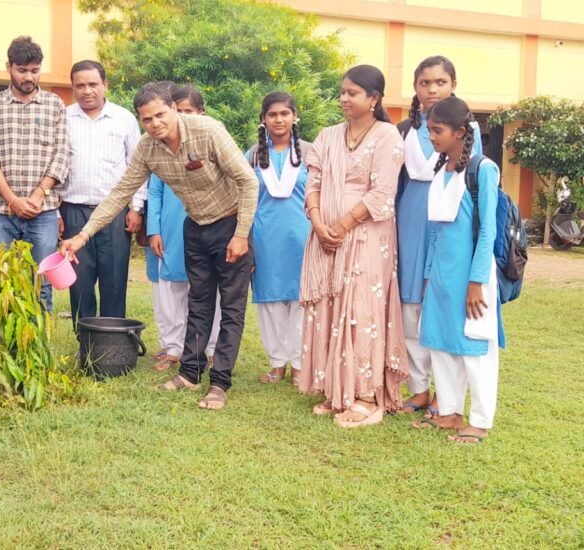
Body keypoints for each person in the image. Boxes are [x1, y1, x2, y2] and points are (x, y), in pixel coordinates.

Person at [61, 82, 259, 411]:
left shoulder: (208, 131)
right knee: (198, 304)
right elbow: (120, 195)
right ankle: (190, 373)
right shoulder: (147, 148)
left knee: (232, 308)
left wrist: (241, 234)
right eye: (147, 119)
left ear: (174, 108)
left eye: (160, 115)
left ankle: (220, 382)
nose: (155, 124)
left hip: (230, 224)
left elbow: (248, 181)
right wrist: (81, 236)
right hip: (195, 227)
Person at [297, 65, 407, 428]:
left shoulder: (387, 136)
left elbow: (382, 192)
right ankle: (337, 390)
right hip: (324, 235)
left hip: (366, 236)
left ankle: (365, 396)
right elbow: (313, 182)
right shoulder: (328, 136)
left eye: (352, 93)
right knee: (329, 305)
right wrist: (318, 223)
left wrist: (341, 226)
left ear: (373, 98)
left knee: (361, 308)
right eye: (342, 92)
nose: (344, 98)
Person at [395, 56, 483, 417]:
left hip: (448, 226)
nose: (432, 89)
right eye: (425, 83)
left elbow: (471, 185)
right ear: (415, 88)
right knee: (410, 308)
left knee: (442, 306)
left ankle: (446, 398)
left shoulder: (467, 129)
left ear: (453, 85)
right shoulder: (403, 129)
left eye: (440, 82)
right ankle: (419, 389)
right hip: (410, 220)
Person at [414, 96, 504, 444]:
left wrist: (476, 281)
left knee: (474, 346)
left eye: (438, 130)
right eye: (429, 130)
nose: (432, 137)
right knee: (441, 343)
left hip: (470, 277)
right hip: (441, 275)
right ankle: (450, 412)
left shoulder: (483, 169)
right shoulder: (441, 170)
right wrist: (428, 275)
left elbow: (488, 231)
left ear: (461, 132)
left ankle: (479, 421)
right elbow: (435, 231)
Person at [0, 36, 69, 310]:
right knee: (3, 280)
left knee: (42, 282)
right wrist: (12, 200)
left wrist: (39, 194)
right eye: (22, 70)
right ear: (9, 67)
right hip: (1, 212)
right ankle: (6, 337)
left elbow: (61, 154)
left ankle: (38, 337)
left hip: (43, 213)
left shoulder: (55, 105)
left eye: (34, 70)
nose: (29, 77)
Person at [61, 59, 142, 325]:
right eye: (80, 86)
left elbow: (138, 166)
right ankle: (85, 339)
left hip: (115, 214)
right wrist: (56, 212)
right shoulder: (63, 118)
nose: (87, 91)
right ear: (73, 88)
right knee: (79, 282)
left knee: (114, 279)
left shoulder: (124, 119)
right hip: (74, 211)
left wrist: (136, 208)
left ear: (105, 84)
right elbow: (55, 165)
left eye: (93, 84)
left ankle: (112, 338)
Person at [147, 83, 219, 372]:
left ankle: (210, 348)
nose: (185, 117)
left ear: (202, 112)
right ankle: (173, 347)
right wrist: (154, 230)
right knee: (171, 288)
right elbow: (154, 192)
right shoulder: (160, 148)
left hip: (209, 223)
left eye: (190, 111)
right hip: (171, 227)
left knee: (208, 289)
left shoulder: (213, 139)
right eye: (180, 111)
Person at [245, 92, 311, 385]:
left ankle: (300, 365)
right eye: (272, 114)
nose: (279, 119)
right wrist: (245, 239)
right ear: (263, 119)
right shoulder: (252, 155)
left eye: (285, 113)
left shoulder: (311, 152)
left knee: (301, 300)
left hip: (304, 236)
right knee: (270, 301)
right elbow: (244, 198)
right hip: (265, 237)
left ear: (295, 116)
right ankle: (276, 364)